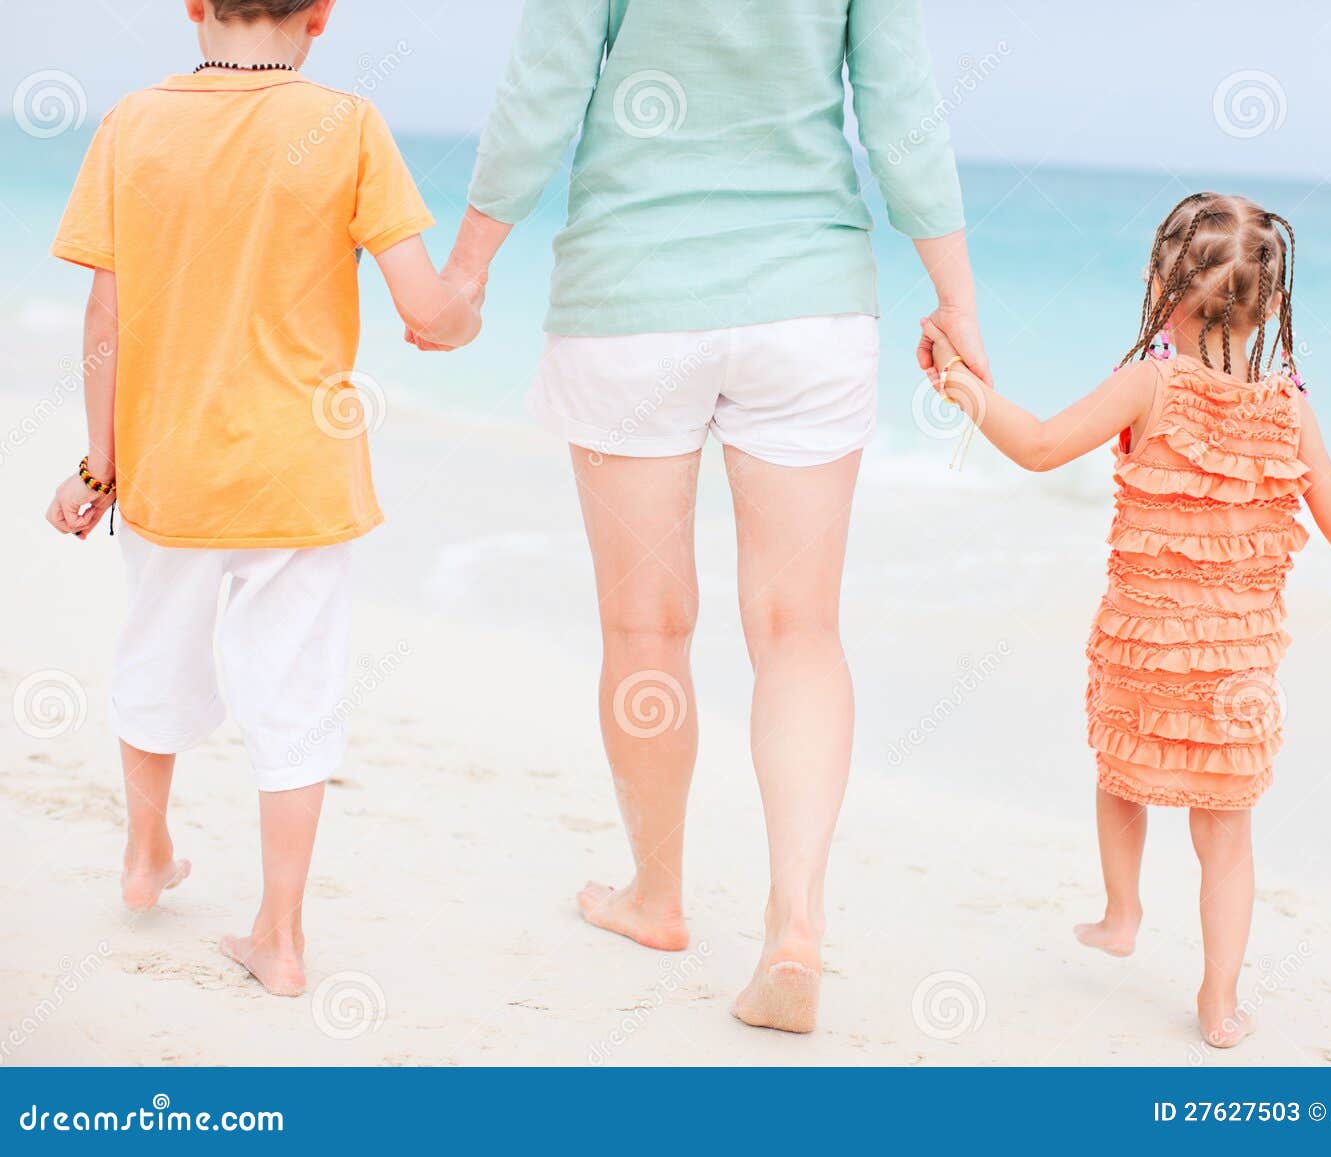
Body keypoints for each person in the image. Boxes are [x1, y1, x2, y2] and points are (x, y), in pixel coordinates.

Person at [428, 0, 989, 1033]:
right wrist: (954, 296)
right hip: (807, 301)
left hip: (633, 298)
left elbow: (543, 89)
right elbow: (900, 103)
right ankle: (795, 925)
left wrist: (466, 271)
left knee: (647, 623)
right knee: (799, 628)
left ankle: (656, 894)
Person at [920, 192, 1331, 1047]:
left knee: (1121, 774)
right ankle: (1219, 1000)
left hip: (1143, 646)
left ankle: (1122, 914)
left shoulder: (1150, 381)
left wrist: (959, 386)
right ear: (1271, 304)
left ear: (1164, 278)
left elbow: (1043, 445)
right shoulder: (1288, 406)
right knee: (1225, 834)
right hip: (1237, 666)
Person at [44, 0, 483, 997]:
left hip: (169, 470)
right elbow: (427, 307)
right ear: (321, 16)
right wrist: (460, 313)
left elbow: (106, 310)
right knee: (294, 697)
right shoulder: (351, 126)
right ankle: (280, 937)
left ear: (194, 5)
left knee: (154, 658)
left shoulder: (132, 123)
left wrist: (97, 467)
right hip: (301, 477)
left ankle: (146, 854)